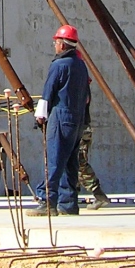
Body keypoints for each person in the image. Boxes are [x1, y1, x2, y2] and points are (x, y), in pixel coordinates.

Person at [27, 24, 90, 216]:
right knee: (71, 162)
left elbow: (48, 92)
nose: (54, 46)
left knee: (54, 160)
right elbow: (86, 96)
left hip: (60, 117)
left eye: (56, 42)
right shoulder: (81, 65)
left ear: (62, 45)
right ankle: (69, 203)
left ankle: (47, 201)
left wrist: (40, 116)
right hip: (78, 120)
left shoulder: (58, 65)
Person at [78, 90, 109, 207]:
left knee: (79, 164)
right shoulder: (81, 88)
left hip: (80, 130)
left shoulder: (81, 90)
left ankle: (99, 195)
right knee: (73, 164)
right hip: (80, 129)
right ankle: (70, 197)